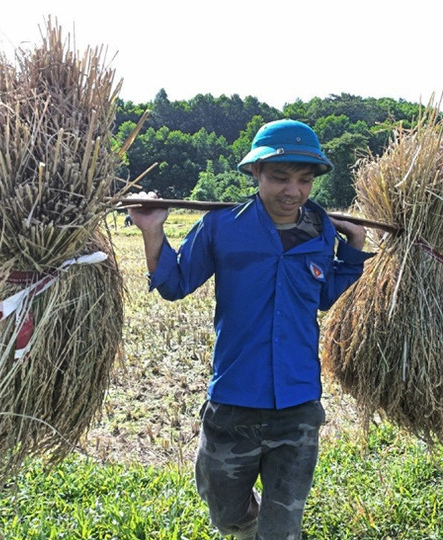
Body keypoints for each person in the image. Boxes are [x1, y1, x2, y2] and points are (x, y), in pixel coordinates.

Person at [127, 119, 373, 539]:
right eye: (279, 177)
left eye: (304, 180)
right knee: (225, 514)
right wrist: (153, 230)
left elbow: (321, 297)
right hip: (234, 399)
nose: (293, 191)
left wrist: (352, 252)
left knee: (282, 528)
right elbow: (174, 284)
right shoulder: (222, 226)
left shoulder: (321, 231)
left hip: (297, 404)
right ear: (256, 171)